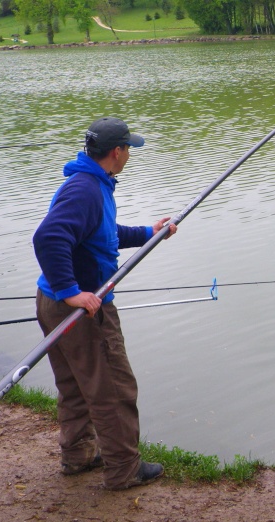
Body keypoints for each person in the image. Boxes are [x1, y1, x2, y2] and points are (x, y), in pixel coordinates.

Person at [33, 116, 177, 490]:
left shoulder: (90, 184)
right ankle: (124, 469)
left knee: (76, 386)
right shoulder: (86, 190)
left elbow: (104, 234)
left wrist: (151, 232)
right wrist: (72, 292)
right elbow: (49, 238)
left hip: (52, 303)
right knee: (114, 390)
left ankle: (79, 454)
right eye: (129, 148)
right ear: (117, 152)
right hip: (82, 309)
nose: (130, 154)